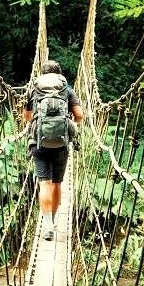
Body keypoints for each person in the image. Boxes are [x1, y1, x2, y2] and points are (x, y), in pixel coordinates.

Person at [24, 60, 84, 241]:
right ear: (59, 74)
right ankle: (54, 220)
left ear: (42, 74)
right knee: (57, 184)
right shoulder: (67, 89)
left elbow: (27, 118)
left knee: (44, 184)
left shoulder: (34, 89)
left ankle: (47, 224)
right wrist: (67, 121)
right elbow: (80, 116)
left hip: (38, 142)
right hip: (61, 143)